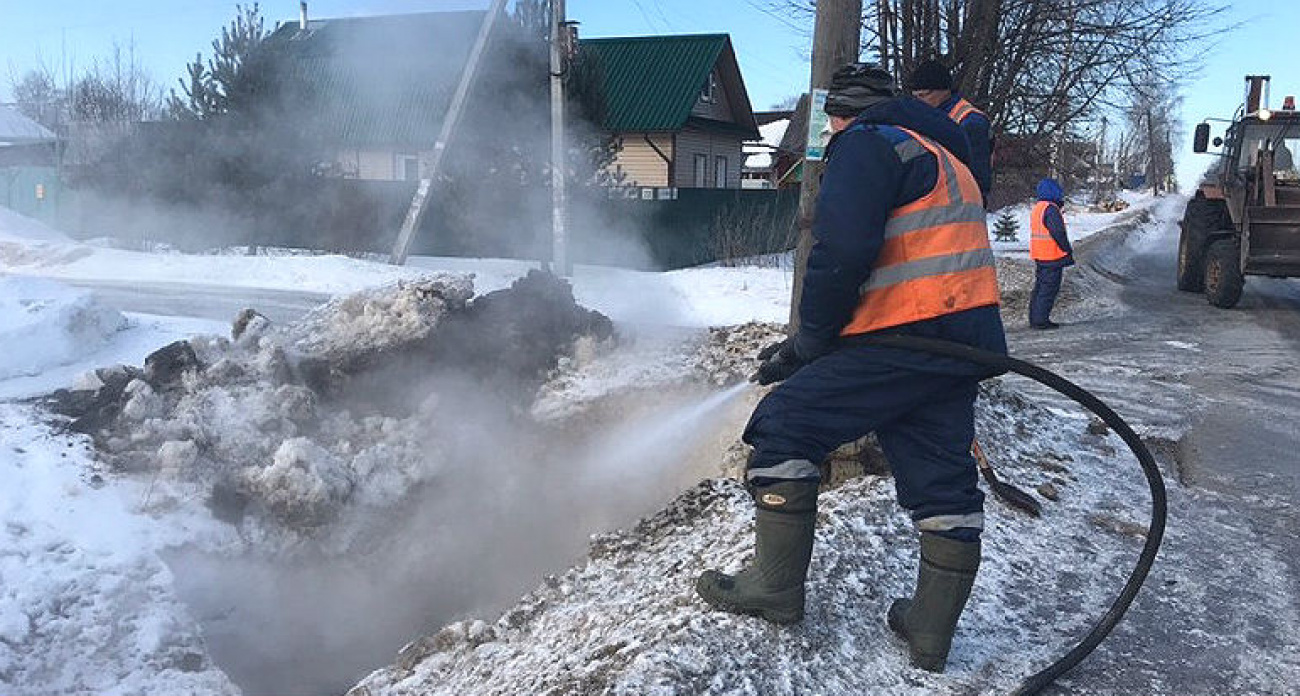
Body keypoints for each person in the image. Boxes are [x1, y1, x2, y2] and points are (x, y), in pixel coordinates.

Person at [695, 63, 1007, 674]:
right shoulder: (944, 154)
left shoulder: (867, 144)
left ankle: (775, 588)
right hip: (957, 342)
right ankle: (930, 632)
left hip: (907, 333)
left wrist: (811, 340)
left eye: (830, 122)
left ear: (839, 116)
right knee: (942, 477)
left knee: (784, 426)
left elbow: (841, 252)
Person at [907, 59, 993, 205]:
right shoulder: (925, 117)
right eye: (915, 97)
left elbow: (977, 177)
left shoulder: (970, 121)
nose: (919, 102)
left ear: (944, 91)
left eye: (924, 95)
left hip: (960, 204)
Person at [1028, 178, 1074, 329]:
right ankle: (1040, 320)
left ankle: (1035, 318)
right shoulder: (1051, 209)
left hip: (1040, 255)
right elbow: (1058, 232)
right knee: (1048, 290)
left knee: (1040, 288)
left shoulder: (1039, 208)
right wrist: (1067, 250)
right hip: (1052, 256)